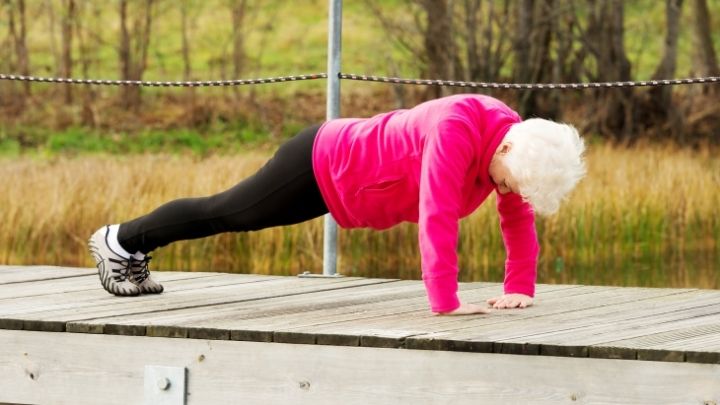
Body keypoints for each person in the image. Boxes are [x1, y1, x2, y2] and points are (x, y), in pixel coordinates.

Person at [88, 94, 586, 316]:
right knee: (230, 213)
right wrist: (446, 303)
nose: (505, 194)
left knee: (231, 214)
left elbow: (515, 211)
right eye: (507, 182)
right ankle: (121, 240)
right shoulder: (458, 129)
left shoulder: (518, 142)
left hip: (345, 184)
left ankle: (129, 249)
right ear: (504, 150)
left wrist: (520, 285)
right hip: (322, 162)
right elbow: (436, 214)